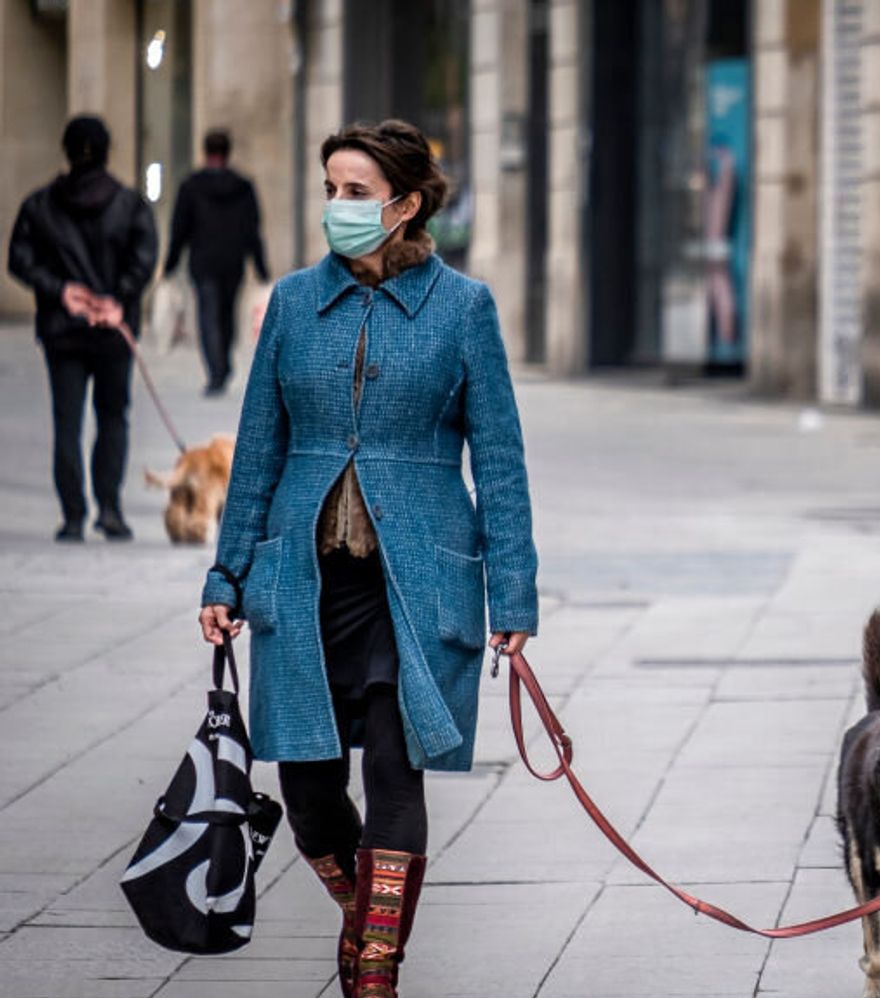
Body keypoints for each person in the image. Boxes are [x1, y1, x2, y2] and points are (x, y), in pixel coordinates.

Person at [196, 120, 538, 998]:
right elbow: (259, 452)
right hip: (304, 585)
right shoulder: (290, 305)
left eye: (355, 192)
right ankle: (367, 927)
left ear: (406, 204)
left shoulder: (464, 309)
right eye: (330, 190)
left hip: (416, 585)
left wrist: (514, 599)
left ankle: (374, 973)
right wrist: (225, 573)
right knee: (308, 795)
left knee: (394, 764)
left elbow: (498, 459)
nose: (337, 208)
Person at [7, 115, 158, 542]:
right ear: (108, 150)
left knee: (67, 421)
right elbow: (145, 257)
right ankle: (109, 507)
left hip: (62, 330)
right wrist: (118, 297)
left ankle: (73, 514)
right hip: (113, 329)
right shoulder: (129, 204)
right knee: (113, 417)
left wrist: (61, 291)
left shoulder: (39, 205)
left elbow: (19, 258)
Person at [165, 128, 270, 396]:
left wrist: (171, 262)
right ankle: (222, 365)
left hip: (202, 260)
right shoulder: (243, 186)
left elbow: (180, 228)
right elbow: (252, 228)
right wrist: (260, 266)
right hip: (232, 260)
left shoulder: (191, 186)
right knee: (226, 313)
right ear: (227, 151)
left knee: (208, 315)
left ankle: (216, 370)